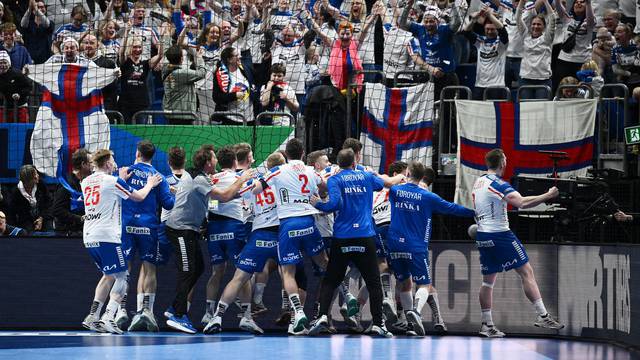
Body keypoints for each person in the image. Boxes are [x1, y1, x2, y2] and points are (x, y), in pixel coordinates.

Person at [308, 148, 403, 337]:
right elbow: (384, 184)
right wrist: (399, 176)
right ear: (354, 162)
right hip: (365, 236)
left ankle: (322, 318)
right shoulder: (366, 176)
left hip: (342, 238)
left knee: (331, 280)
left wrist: (317, 203)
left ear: (339, 164)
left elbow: (333, 205)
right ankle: (378, 324)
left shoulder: (335, 179)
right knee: (374, 282)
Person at [471, 148, 564, 337]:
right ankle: (542, 316)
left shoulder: (478, 181)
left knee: (488, 281)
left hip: (483, 235)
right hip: (500, 234)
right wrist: (547, 195)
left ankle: (486, 325)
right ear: (503, 163)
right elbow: (521, 203)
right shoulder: (498, 183)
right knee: (526, 271)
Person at [164, 146, 254, 334]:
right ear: (207, 162)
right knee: (188, 271)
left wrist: (243, 191)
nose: (216, 161)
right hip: (180, 229)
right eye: (213, 158)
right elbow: (224, 196)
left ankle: (174, 307)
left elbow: (223, 198)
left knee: (199, 268)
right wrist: (243, 179)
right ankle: (179, 316)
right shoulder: (199, 179)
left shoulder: (201, 177)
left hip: (191, 229)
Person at [250, 138, 329, 334]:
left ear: (286, 154)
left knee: (287, 272)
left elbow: (256, 189)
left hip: (287, 224)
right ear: (303, 153)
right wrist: (317, 196)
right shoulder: (311, 170)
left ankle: (297, 311)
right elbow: (325, 187)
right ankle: (344, 292)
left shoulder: (277, 171)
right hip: (309, 223)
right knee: (325, 262)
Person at [386, 161, 474, 336]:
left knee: (404, 283)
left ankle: (410, 324)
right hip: (416, 247)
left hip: (394, 245)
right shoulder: (427, 196)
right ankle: (415, 312)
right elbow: (452, 208)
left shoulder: (395, 191)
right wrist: (473, 212)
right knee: (424, 284)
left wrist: (400, 179)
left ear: (408, 173)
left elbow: (387, 184)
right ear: (423, 177)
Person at [80, 149, 162, 334]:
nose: (115, 163)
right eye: (113, 159)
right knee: (123, 276)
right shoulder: (113, 181)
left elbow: (105, 194)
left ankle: (93, 316)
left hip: (89, 236)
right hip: (107, 236)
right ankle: (109, 317)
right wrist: (149, 184)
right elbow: (139, 196)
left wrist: (121, 180)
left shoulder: (86, 181)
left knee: (109, 275)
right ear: (107, 163)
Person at [204, 152, 287, 335]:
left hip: (249, 232)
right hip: (275, 233)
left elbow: (223, 199)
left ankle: (214, 316)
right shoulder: (279, 179)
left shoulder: (241, 181)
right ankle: (291, 313)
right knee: (288, 273)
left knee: (233, 275)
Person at [121, 140, 175, 332]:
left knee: (124, 270)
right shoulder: (158, 177)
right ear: (153, 156)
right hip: (148, 227)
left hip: (126, 226)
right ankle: (147, 311)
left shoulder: (124, 172)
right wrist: (177, 194)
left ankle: (121, 310)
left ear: (137, 153)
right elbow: (168, 204)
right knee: (149, 269)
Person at [201, 146, 252, 327]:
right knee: (243, 272)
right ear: (235, 162)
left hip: (214, 228)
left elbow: (213, 204)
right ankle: (246, 316)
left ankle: (208, 313)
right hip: (233, 227)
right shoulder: (239, 178)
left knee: (216, 272)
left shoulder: (211, 179)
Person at [463, 5, 509, 100]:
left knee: (494, 114)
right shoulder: (480, 41)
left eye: (492, 29)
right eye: (487, 29)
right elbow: (466, 32)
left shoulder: (501, 42)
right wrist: (474, 19)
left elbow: (503, 31)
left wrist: (489, 15)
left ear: (496, 30)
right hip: (480, 85)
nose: (489, 31)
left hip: (497, 85)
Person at [516, 0, 557, 100]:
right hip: (525, 78)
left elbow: (553, 19)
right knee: (526, 109)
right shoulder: (525, 35)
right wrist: (521, 2)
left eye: (539, 24)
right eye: (533, 24)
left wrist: (545, 2)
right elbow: (517, 18)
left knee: (542, 110)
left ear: (544, 27)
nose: (535, 26)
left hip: (543, 79)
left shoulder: (547, 38)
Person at [162, 44, 206, 125]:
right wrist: (199, 57)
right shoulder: (182, 73)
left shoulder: (165, 68)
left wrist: (166, 37)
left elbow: (166, 54)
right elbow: (202, 73)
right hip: (183, 114)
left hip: (171, 112)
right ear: (181, 59)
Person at [52, 148, 91, 236]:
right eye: (91, 163)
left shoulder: (87, 182)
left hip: (82, 229)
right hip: (66, 233)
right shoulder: (66, 185)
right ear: (83, 164)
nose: (93, 166)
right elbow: (57, 210)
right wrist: (80, 219)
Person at [212, 47, 253, 125]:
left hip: (249, 119)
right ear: (229, 60)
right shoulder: (220, 75)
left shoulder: (245, 68)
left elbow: (258, 80)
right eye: (236, 55)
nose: (240, 57)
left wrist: (265, 61)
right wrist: (235, 95)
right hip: (230, 119)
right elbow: (216, 97)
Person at [9, 165, 52, 232]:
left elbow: (49, 203)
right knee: (28, 233)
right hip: (26, 220)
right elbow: (12, 214)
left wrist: (41, 218)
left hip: (43, 216)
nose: (37, 176)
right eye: (35, 175)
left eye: (37, 173)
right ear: (28, 181)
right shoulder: (16, 193)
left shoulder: (41, 184)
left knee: (49, 231)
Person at [19, 0, 55, 64]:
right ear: (32, 11)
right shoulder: (29, 23)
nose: (40, 9)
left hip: (46, 60)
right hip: (31, 59)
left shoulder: (50, 23)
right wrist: (30, 8)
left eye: (42, 7)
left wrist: (35, 8)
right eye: (38, 7)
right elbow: (22, 24)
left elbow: (47, 24)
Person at [0, 50, 31, 123]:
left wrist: (19, 94)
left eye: (5, 62)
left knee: (21, 129)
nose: (3, 65)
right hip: (2, 107)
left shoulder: (17, 74)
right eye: (0, 63)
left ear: (9, 64)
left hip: (20, 106)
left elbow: (28, 87)